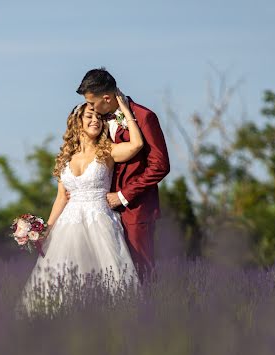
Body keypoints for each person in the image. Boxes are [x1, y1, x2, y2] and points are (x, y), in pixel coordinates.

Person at [17, 94, 144, 316]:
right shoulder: (65, 158)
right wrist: (46, 228)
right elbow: (61, 197)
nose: (95, 120)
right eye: (90, 116)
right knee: (61, 283)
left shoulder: (107, 151)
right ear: (78, 121)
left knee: (107, 281)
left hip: (99, 221)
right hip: (69, 224)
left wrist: (125, 108)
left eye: (99, 117)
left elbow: (137, 144)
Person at [75, 67, 170, 282]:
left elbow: (160, 165)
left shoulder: (145, 117)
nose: (89, 108)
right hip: (101, 213)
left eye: (91, 103)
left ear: (107, 98)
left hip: (134, 211)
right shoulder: (96, 121)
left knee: (140, 275)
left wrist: (123, 195)